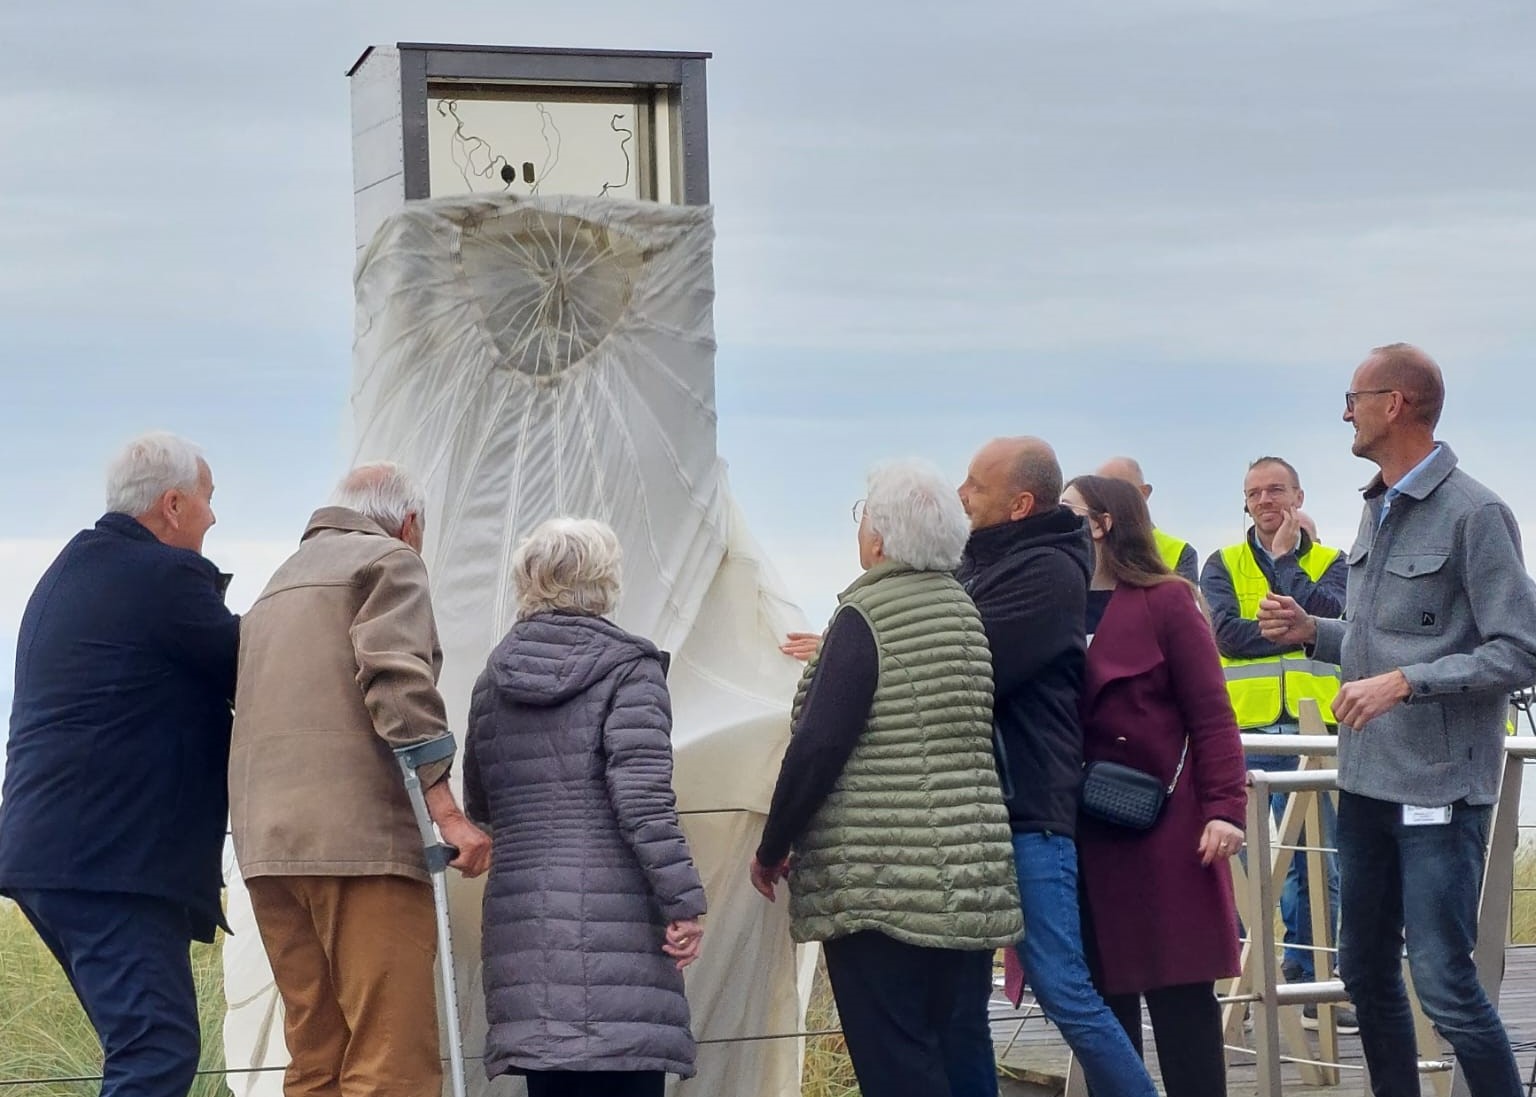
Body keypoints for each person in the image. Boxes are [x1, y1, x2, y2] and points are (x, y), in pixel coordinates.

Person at [1259, 343, 1536, 1097]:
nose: (1346, 412)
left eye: (1355, 397)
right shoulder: (1374, 507)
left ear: (1396, 404)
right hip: (1368, 783)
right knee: (1363, 971)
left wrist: (1407, 683)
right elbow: (1384, 647)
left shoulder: (1476, 514)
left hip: (1442, 793)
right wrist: (1314, 633)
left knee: (1444, 983)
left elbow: (1518, 651)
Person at [751, 459, 1022, 1097]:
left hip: (884, 882)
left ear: (880, 537)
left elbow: (819, 743)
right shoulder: (962, 611)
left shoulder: (865, 615)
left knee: (898, 1061)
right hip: (969, 872)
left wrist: (773, 844)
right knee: (961, 1050)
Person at [229, 462, 490, 1097]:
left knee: (315, 1053)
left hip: (267, 850)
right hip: (361, 843)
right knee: (389, 1056)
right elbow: (397, 681)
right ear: (409, 523)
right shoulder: (388, 562)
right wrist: (447, 811)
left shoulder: (275, 585)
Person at [0, 432, 239, 1097]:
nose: (213, 517)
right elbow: (253, 661)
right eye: (207, 499)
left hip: (57, 856)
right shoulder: (162, 576)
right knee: (156, 1049)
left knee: (146, 1045)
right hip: (110, 862)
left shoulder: (73, 570)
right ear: (171, 504)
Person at [463, 517, 705, 1097]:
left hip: (525, 928)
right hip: (616, 921)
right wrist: (683, 900)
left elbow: (480, 799)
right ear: (605, 581)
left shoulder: (492, 681)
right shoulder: (629, 669)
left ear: (530, 581)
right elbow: (643, 798)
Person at [950, 437, 1158, 1097]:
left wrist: (877, 642)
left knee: (1064, 985)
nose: (961, 494)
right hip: (989, 808)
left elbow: (971, 660)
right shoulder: (987, 560)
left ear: (1019, 503)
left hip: (1031, 809)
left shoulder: (1044, 572)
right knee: (961, 994)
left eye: (975, 486)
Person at [1062, 475, 1246, 1096]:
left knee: (1181, 1001)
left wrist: (1226, 809)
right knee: (1103, 1012)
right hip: (1081, 832)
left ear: (1102, 522)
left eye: (1068, 511)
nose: (1056, 523)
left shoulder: (1167, 600)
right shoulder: (1052, 602)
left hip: (1164, 829)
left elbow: (1213, 716)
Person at [1200, 456, 1354, 1028]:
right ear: (1245, 502)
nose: (1265, 500)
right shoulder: (1223, 563)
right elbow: (1228, 637)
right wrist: (1295, 626)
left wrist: (1289, 572)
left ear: (1298, 494)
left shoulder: (1336, 561)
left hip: (1320, 735)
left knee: (1316, 867)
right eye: (1255, 492)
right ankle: (1231, 981)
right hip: (1244, 733)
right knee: (1233, 861)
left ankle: (1310, 986)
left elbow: (1332, 619)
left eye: (1277, 490)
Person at [1097, 456, 1199, 583]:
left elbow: (1182, 600)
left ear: (1143, 493)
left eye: (1117, 490)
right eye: (1097, 491)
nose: (1104, 499)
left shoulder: (1181, 553)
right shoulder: (1086, 541)